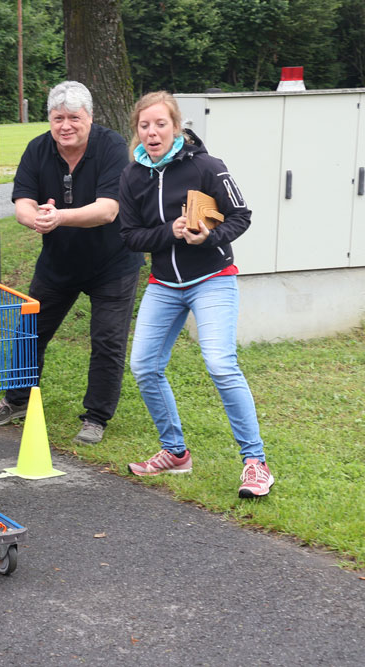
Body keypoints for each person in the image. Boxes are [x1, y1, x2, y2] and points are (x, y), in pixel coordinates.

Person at [118, 91, 274, 498]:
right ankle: (175, 453)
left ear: (176, 127)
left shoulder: (207, 166)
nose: (152, 132)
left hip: (212, 278)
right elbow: (130, 236)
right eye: (144, 126)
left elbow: (241, 216)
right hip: (164, 285)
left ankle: (256, 463)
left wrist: (209, 237)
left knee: (220, 364)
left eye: (160, 124)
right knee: (144, 366)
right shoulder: (132, 175)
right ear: (137, 130)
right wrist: (168, 232)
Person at [0, 81, 143, 446]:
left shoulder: (112, 147)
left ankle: (96, 418)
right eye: (58, 118)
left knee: (107, 341)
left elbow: (108, 209)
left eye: (74, 118)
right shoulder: (38, 149)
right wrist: (35, 218)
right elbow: (22, 202)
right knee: (29, 330)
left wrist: (58, 217)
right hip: (58, 262)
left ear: (90, 118)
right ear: (49, 120)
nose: (65, 126)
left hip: (113, 263)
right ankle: (17, 400)